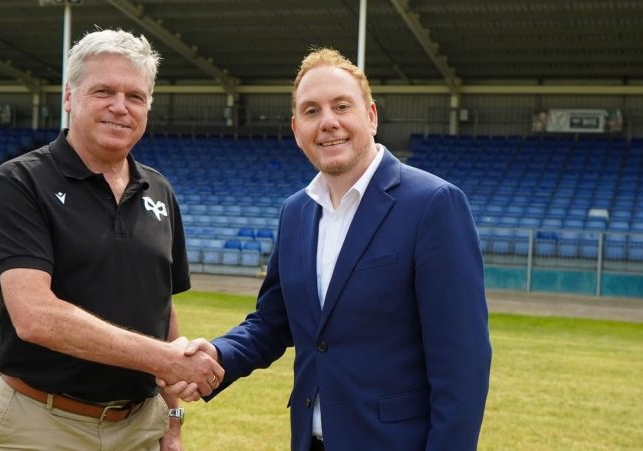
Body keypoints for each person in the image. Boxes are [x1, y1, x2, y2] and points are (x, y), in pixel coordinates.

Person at [162, 48, 492, 450]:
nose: (328, 122)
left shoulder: (433, 204)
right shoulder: (296, 212)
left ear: (370, 116)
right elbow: (272, 322)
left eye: (341, 106)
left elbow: (463, 365)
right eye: (312, 111)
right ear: (296, 127)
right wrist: (216, 354)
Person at [0, 28, 223, 451]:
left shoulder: (159, 190)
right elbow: (35, 316)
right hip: (43, 424)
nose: (120, 107)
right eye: (103, 91)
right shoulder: (22, 181)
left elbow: (161, 310)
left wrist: (173, 420)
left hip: (140, 426)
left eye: (135, 96)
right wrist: (166, 360)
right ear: (70, 97)